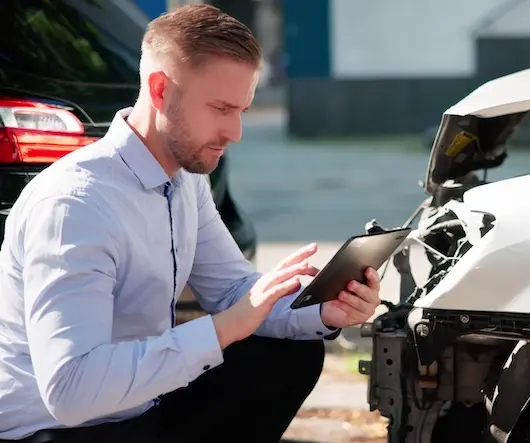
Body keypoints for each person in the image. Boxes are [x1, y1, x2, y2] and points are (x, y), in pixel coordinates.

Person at [0, 4, 381, 442]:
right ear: (160, 90)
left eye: (242, 109)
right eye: (221, 108)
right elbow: (70, 391)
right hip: (60, 430)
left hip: (140, 409)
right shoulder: (75, 205)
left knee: (286, 354)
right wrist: (223, 329)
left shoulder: (182, 181)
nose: (235, 131)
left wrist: (324, 308)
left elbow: (236, 292)